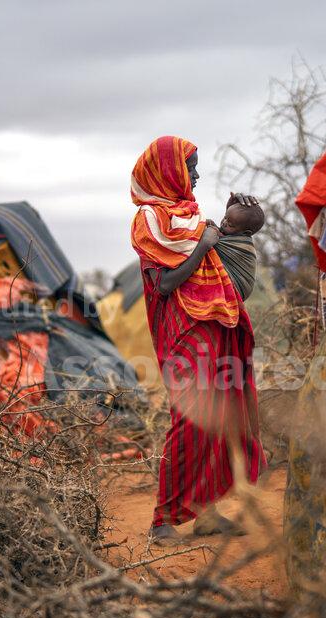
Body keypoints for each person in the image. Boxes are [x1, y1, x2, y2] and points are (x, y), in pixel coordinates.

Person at [130, 136, 266, 545]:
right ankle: (162, 519)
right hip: (183, 333)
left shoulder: (189, 216)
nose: (197, 176)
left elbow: (220, 258)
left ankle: (207, 513)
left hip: (215, 327)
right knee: (190, 420)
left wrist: (234, 216)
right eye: (190, 168)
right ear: (169, 171)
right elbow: (165, 283)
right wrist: (203, 245)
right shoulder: (149, 221)